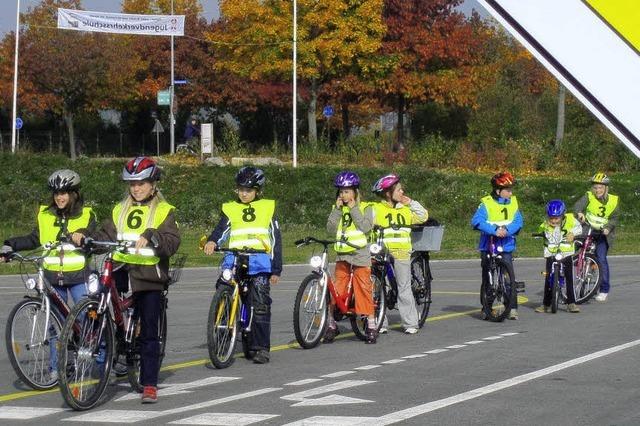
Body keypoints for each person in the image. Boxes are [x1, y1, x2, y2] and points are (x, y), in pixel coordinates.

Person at [72, 157, 181, 404]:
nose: (136, 188)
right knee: (102, 299)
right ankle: (111, 341)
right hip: (121, 271)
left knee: (149, 332)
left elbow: (172, 242)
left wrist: (152, 236)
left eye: (141, 183)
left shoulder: (164, 211)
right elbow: (105, 234)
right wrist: (86, 236)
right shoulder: (119, 210)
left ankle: (150, 383)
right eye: (132, 184)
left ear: (153, 184)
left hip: (149, 278)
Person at [1, 169, 97, 381]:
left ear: (74, 194)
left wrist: (84, 235)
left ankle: (103, 356)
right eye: (56, 193)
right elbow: (34, 239)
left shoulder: (86, 214)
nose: (59, 197)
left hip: (78, 276)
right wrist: (9, 246)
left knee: (86, 318)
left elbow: (93, 235)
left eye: (64, 193)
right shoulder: (45, 215)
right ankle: (57, 368)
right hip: (53, 278)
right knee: (56, 324)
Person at [203, 166, 282, 364]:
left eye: (248, 190)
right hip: (235, 260)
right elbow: (221, 229)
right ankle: (222, 337)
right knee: (222, 289)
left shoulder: (267, 208)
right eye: (241, 189)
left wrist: (276, 268)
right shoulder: (230, 208)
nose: (244, 193)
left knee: (260, 303)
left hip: (259, 262)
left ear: (257, 191)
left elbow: (275, 239)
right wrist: (212, 241)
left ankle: (261, 347)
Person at [371, 173, 428, 334]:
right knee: (379, 288)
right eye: (399, 190)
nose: (402, 192)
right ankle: (380, 322)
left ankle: (410, 323)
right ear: (388, 193)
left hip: (402, 253)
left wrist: (409, 202)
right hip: (382, 253)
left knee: (403, 288)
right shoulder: (376, 209)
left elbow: (423, 215)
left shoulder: (405, 210)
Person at [325, 171, 377, 344]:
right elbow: (330, 229)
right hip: (342, 254)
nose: (343, 195)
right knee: (335, 291)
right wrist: (338, 210)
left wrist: (354, 208)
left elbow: (365, 228)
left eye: (347, 191)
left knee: (363, 288)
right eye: (341, 191)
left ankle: (370, 324)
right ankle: (332, 324)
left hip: (360, 254)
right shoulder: (337, 208)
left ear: (355, 191)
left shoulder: (366, 207)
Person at [471, 171, 523, 320]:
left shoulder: (513, 202)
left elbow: (518, 221)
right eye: (508, 190)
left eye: (511, 189)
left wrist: (506, 230)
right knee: (488, 278)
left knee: (508, 278)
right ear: (498, 191)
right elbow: (477, 221)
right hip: (489, 245)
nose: (511, 192)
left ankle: (512, 307)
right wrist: (494, 230)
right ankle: (487, 307)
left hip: (505, 244)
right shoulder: (486, 203)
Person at [573, 172, 619, 302]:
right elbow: (577, 206)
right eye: (595, 187)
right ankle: (571, 283)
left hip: (602, 234)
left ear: (605, 188)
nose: (598, 190)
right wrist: (579, 213)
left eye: (600, 187)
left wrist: (608, 228)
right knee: (576, 253)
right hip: (588, 230)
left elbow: (614, 218)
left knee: (601, 258)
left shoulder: (613, 200)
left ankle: (604, 289)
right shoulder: (589, 196)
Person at [534, 200, 582, 313]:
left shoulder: (570, 220)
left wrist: (573, 234)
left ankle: (571, 303)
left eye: (556, 218)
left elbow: (579, 228)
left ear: (562, 215)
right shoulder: (545, 225)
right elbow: (540, 231)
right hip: (551, 253)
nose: (554, 221)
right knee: (548, 278)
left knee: (569, 277)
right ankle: (546, 304)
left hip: (566, 253)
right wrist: (540, 234)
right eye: (551, 218)